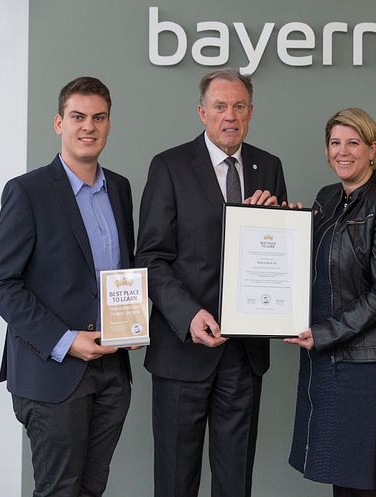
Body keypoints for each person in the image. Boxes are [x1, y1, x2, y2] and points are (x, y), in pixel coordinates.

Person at [136, 68, 286, 497]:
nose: (230, 116)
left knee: (235, 482)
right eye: (220, 106)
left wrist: (281, 220)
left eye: (239, 106)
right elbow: (150, 257)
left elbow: (277, 255)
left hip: (243, 354)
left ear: (251, 112)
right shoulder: (168, 166)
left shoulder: (268, 166)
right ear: (202, 112)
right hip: (182, 351)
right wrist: (190, 314)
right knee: (176, 480)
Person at [0, 76, 134, 497]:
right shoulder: (27, 191)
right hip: (53, 372)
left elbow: (122, 271)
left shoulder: (119, 189)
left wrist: (133, 323)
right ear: (58, 123)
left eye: (99, 117)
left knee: (91, 489)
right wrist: (66, 341)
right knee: (58, 492)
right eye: (78, 116)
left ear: (109, 124)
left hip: (111, 370)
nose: (89, 126)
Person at [284, 108, 376, 497]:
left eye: (353, 143)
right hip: (331, 355)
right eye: (335, 143)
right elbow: (315, 267)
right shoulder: (328, 198)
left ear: (373, 150)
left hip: (369, 362)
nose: (343, 152)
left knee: (361, 480)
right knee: (342, 476)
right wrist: (289, 229)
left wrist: (326, 333)